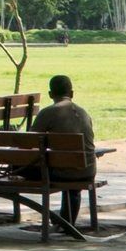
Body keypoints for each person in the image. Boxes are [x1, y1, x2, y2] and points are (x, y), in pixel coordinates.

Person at [33, 74, 97, 226]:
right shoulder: (84, 113)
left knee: (22, 168)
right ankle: (67, 223)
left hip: (62, 173)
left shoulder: (48, 112)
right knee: (70, 169)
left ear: (50, 94)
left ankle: (63, 223)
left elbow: (29, 142)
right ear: (72, 93)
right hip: (87, 170)